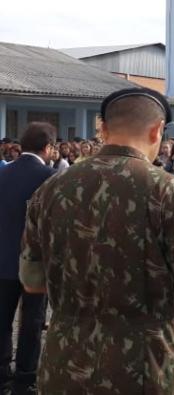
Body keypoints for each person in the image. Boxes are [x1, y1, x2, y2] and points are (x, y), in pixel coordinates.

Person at [18, 88, 174, 394]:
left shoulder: (50, 189)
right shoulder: (168, 189)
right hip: (142, 368)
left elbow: (33, 282)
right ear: (157, 130)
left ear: (103, 129)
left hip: (65, 366)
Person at [0, 123, 55, 393]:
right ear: (48, 147)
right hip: (36, 263)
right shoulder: (51, 177)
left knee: (2, 321)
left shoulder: (3, 173)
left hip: (2, 259)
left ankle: (1, 375)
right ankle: (25, 377)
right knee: (32, 322)